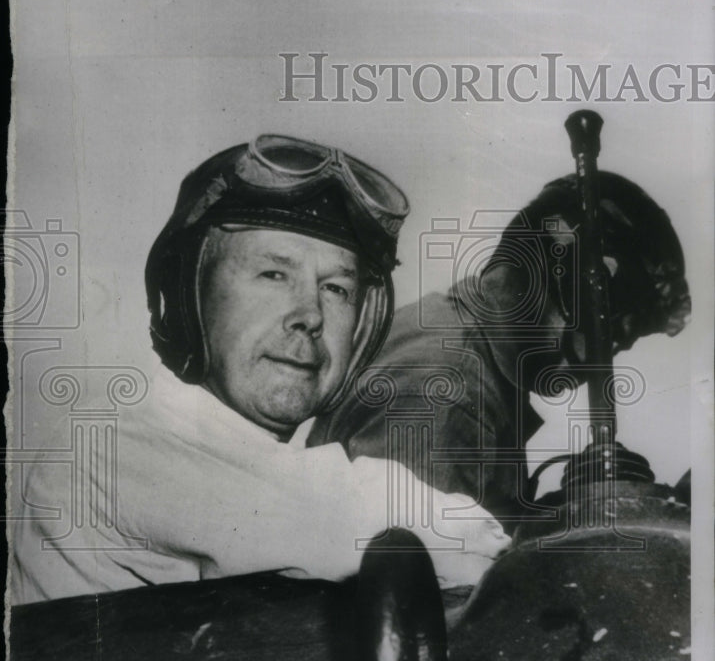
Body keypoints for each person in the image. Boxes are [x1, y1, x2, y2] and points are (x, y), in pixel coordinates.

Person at [12, 134, 510, 605]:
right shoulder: (106, 452)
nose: (311, 315)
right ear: (190, 296)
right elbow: (444, 541)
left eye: (336, 289)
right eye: (273, 274)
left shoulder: (242, 472)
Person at [309, 171, 691, 532]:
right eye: (610, 340)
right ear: (567, 284)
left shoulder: (456, 342)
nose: (598, 368)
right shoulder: (450, 388)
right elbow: (430, 585)